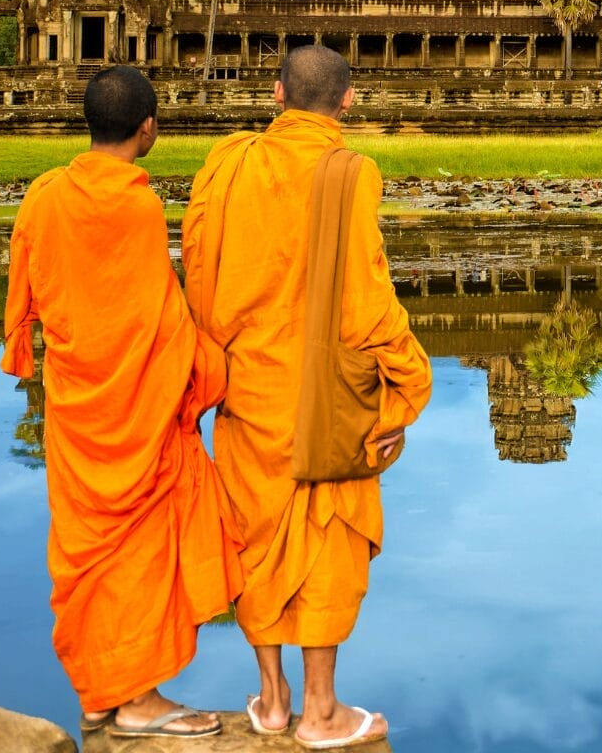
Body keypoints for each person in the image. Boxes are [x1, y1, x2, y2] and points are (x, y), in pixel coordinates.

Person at [182, 47, 431, 749]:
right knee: (325, 533)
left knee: (256, 532)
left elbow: (198, 268)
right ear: (348, 102)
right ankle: (320, 709)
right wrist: (409, 384)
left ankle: (270, 696)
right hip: (324, 396)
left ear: (277, 92)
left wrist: (214, 359)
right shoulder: (350, 172)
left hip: (247, 383)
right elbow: (366, 299)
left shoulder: (228, 163)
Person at [0, 66, 241, 739]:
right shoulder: (135, 206)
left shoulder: (45, 196)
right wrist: (214, 365)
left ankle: (104, 692)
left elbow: (30, 295)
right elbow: (157, 319)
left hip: (78, 406)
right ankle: (134, 698)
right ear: (148, 128)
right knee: (137, 549)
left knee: (91, 551)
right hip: (133, 411)